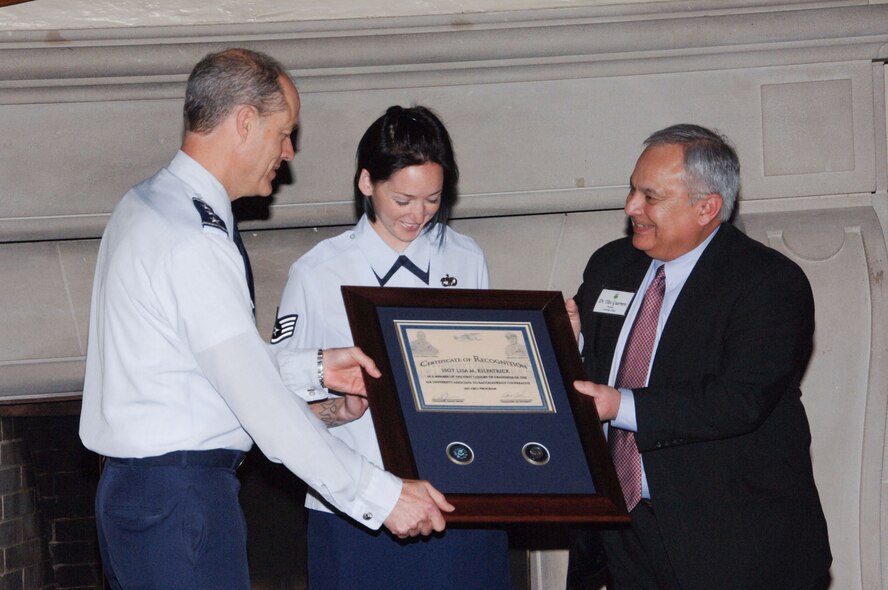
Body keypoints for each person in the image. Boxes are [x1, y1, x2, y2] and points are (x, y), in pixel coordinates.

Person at [79, 49, 453, 590]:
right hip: (183, 504)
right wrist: (381, 496)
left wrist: (316, 368)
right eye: (284, 132)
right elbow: (260, 404)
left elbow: (199, 365)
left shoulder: (146, 204)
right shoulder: (193, 240)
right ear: (245, 121)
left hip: (143, 494)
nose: (288, 151)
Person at [567, 124, 831, 589]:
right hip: (624, 532)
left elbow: (740, 399)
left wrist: (619, 406)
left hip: (732, 540)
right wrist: (570, 342)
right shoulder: (611, 264)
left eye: (651, 196)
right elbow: (595, 364)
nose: (631, 207)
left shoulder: (767, 283)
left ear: (707, 207)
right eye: (633, 189)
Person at [271, 105, 512, 590]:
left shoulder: (467, 259)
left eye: (432, 200)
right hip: (358, 511)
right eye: (403, 199)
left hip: (459, 498)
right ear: (366, 183)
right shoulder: (318, 273)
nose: (418, 215)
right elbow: (277, 402)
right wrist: (339, 409)